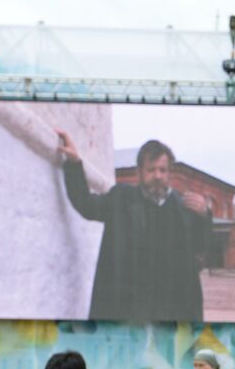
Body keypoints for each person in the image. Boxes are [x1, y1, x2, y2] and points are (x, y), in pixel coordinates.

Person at [54, 132, 211, 322]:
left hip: (172, 310)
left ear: (169, 173)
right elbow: (86, 205)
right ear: (140, 173)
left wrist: (204, 215)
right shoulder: (121, 198)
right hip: (129, 307)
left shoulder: (184, 207)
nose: (157, 176)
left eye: (163, 170)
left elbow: (202, 249)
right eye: (151, 170)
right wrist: (73, 163)